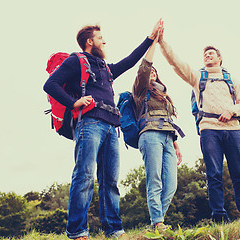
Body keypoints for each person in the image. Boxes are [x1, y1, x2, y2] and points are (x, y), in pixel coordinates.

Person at [43, 20, 163, 239]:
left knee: (110, 181)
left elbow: (130, 61)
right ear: (90, 41)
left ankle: (114, 230)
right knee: (85, 176)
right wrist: (74, 103)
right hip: (89, 124)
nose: (104, 41)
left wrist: (150, 38)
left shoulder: (105, 68)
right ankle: (78, 232)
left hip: (110, 127)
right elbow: (50, 84)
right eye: (100, 38)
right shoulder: (75, 61)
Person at [157, 27, 240, 223]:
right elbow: (176, 63)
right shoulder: (198, 77)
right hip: (209, 129)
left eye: (211, 53)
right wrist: (162, 43)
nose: (207, 56)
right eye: (205, 54)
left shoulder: (231, 80)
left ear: (220, 58)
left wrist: (232, 110)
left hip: (233, 129)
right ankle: (219, 217)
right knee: (214, 174)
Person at [132, 27, 183, 230]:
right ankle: (158, 222)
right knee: (155, 180)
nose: (152, 72)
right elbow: (144, 67)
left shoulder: (164, 95)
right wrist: (154, 43)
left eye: (155, 71)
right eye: (150, 71)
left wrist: (177, 144)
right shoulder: (140, 90)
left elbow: (168, 119)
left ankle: (154, 223)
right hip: (150, 135)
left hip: (168, 138)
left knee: (170, 185)